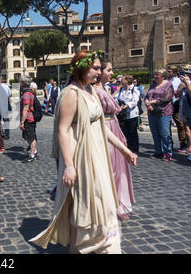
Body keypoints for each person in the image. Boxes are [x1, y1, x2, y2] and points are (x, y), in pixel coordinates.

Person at [29, 50, 137, 254]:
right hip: (81, 156)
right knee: (86, 201)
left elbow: (101, 126)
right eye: (95, 68)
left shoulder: (90, 91)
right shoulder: (71, 93)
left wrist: (124, 150)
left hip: (98, 154)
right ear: (82, 68)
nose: (98, 72)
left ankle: (107, 244)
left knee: (103, 198)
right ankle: (83, 246)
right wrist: (69, 165)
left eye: (99, 68)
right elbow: (63, 129)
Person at [96, 62, 135, 221]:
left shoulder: (105, 88)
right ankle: (109, 203)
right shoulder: (95, 90)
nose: (112, 73)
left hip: (114, 127)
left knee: (118, 167)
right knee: (110, 167)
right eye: (109, 70)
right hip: (105, 128)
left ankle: (118, 201)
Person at [145, 69, 174, 161]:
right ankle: (158, 152)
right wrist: (147, 103)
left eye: (158, 75)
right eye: (155, 74)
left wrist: (153, 102)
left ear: (163, 76)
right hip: (151, 112)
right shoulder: (153, 85)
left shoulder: (168, 85)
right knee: (155, 133)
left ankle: (167, 153)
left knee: (164, 133)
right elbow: (147, 96)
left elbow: (167, 98)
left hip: (163, 112)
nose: (155, 76)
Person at [115, 75, 140, 154]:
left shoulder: (134, 89)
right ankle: (128, 147)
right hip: (122, 114)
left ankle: (135, 149)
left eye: (123, 79)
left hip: (132, 114)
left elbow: (135, 101)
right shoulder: (121, 89)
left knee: (132, 132)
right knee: (125, 132)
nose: (121, 80)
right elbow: (116, 98)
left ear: (127, 81)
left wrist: (126, 105)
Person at [168, 66, 187, 152]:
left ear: (174, 72)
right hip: (167, 105)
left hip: (176, 104)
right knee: (167, 125)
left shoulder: (178, 80)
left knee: (180, 124)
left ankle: (183, 144)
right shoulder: (167, 81)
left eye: (170, 71)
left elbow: (180, 92)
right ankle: (169, 144)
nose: (168, 72)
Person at [20, 77, 38, 162]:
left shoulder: (26, 94)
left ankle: (32, 155)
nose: (19, 83)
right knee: (29, 136)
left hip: (28, 119)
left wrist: (22, 122)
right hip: (31, 118)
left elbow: (25, 109)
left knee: (31, 137)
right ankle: (34, 151)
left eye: (20, 82)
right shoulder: (29, 93)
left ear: (23, 83)